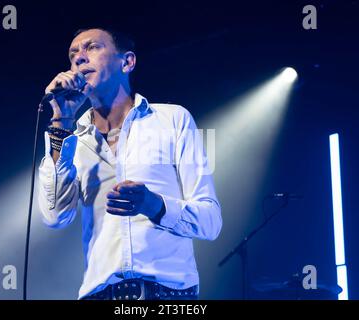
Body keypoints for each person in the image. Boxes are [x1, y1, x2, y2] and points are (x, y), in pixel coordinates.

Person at [38, 27, 222, 300]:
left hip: (169, 296)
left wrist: (154, 205)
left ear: (127, 62)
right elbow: (54, 216)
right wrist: (61, 123)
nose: (79, 58)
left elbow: (210, 221)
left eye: (92, 48)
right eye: (73, 53)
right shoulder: (71, 140)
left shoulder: (174, 120)